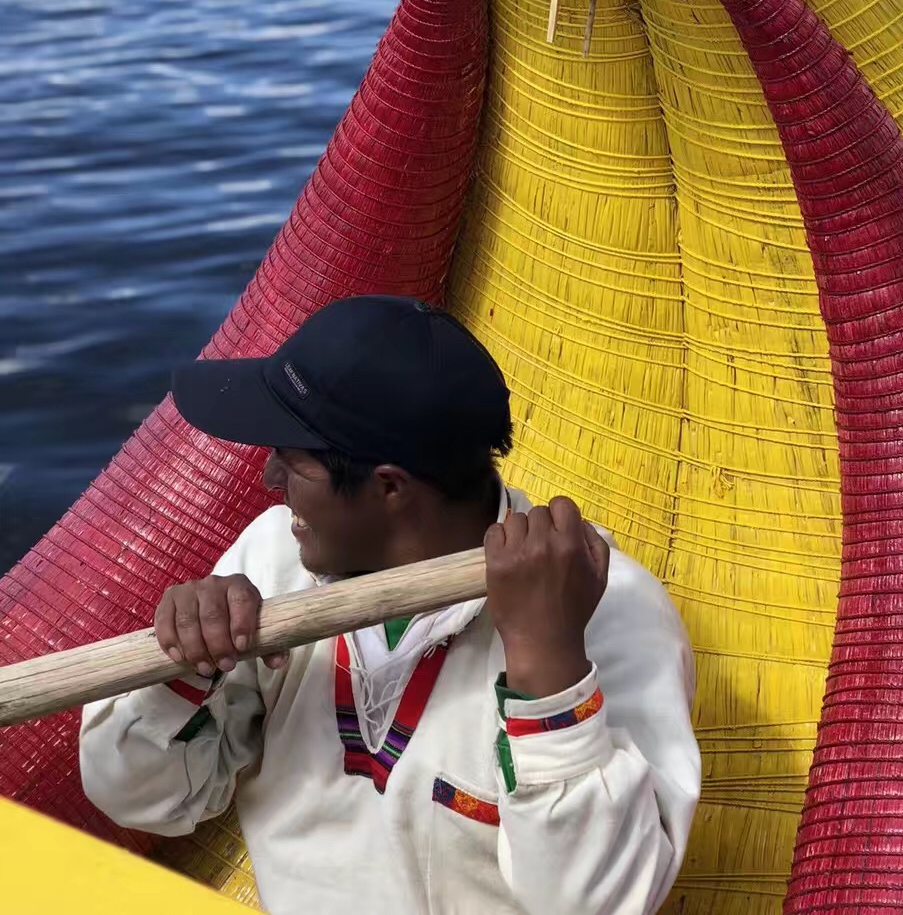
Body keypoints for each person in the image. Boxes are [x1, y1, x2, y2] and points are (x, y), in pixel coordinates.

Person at [80, 295, 700, 915]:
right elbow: (141, 800)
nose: (270, 478)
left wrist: (548, 665)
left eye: (293, 461)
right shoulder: (273, 558)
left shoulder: (610, 611)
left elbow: (598, 903)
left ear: (389, 487)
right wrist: (184, 669)